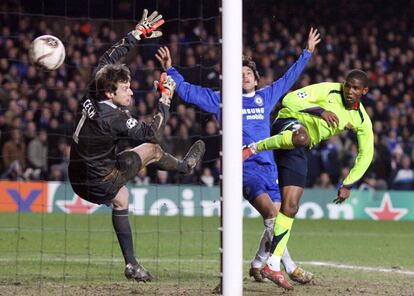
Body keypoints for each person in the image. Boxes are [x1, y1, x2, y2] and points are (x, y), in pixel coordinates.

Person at [156, 28, 321, 289]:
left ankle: (258, 263)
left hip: (269, 167)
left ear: (255, 79)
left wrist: (307, 53)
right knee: (271, 214)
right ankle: (288, 267)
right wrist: (171, 69)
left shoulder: (265, 97)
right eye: (239, 74)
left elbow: (288, 79)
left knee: (278, 219)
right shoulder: (222, 100)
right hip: (243, 167)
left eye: (248, 73)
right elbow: (187, 91)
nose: (244, 76)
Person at [68, 9, 205, 283]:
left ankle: (131, 265)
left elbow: (108, 58)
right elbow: (152, 132)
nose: (131, 92)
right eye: (125, 89)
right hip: (100, 181)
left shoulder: (94, 89)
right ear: (110, 93)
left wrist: (136, 33)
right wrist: (165, 98)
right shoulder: (115, 119)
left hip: (76, 177)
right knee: (152, 150)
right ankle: (185, 167)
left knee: (123, 198)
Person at [243, 69, 374, 287]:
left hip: (299, 148)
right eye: (347, 85)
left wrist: (348, 182)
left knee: (290, 207)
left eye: (356, 88)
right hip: (287, 124)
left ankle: (269, 263)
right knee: (301, 136)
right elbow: (290, 99)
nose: (349, 91)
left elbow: (366, 153)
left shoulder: (361, 119)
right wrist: (320, 111)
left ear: (364, 91)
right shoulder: (329, 90)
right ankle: (253, 148)